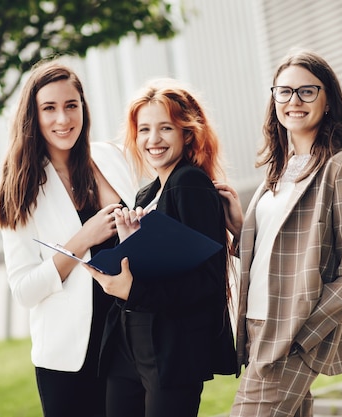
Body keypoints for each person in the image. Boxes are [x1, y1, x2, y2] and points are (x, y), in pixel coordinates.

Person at [216, 49, 342, 416]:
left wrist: (302, 336)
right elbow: (279, 252)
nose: (294, 101)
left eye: (307, 91)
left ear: (328, 100)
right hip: (256, 325)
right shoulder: (278, 171)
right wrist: (241, 230)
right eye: (284, 92)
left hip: (291, 331)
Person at [0, 59, 138, 417]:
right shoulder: (20, 187)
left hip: (131, 340)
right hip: (69, 357)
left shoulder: (110, 157)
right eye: (49, 108)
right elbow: (24, 290)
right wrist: (81, 240)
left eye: (71, 105)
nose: (63, 119)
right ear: (32, 115)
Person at [83, 78, 237, 417]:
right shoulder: (145, 193)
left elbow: (207, 283)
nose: (153, 140)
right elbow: (156, 264)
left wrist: (132, 289)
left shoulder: (189, 184)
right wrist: (126, 250)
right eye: (144, 129)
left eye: (165, 128)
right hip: (128, 343)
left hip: (170, 349)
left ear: (187, 133)